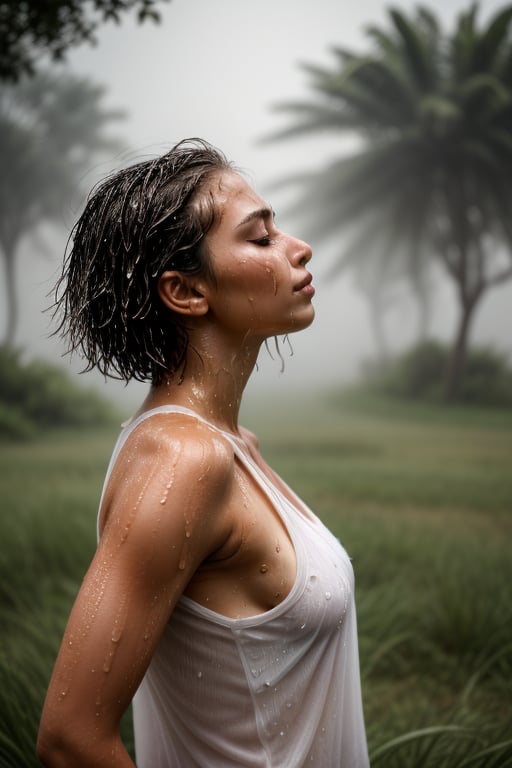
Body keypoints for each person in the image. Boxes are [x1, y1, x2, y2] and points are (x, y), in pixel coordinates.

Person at [37, 138, 369, 767]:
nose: (299, 247)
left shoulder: (232, 446)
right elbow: (70, 738)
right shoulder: (182, 462)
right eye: (261, 238)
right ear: (186, 292)